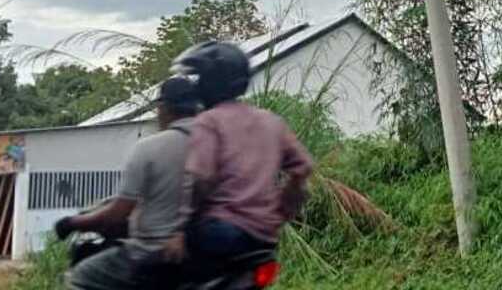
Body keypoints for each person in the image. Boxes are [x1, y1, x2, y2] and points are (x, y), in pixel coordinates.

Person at [163, 41, 314, 271]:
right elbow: (303, 167)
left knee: (159, 269)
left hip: (220, 234)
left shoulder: (209, 121)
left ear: (209, 83)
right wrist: (284, 206)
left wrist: (178, 230)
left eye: (200, 79)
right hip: (265, 238)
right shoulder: (271, 121)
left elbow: (201, 179)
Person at [56, 76, 200, 290]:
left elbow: (118, 213)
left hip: (151, 251)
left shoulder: (150, 147)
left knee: (80, 276)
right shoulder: (215, 145)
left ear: (164, 108)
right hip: (200, 253)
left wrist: (72, 223)